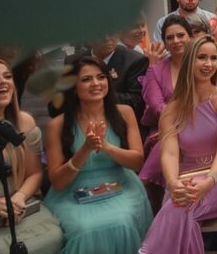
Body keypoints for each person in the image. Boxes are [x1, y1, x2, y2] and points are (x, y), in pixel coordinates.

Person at [138, 36, 217, 254]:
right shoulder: (171, 110)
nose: (208, 64)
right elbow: (169, 154)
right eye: (201, 57)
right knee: (183, 209)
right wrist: (173, 183)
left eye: (213, 58)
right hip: (182, 182)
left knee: (180, 207)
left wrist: (210, 180)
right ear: (189, 61)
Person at [44, 56, 152, 254]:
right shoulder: (57, 125)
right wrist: (84, 149)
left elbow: (137, 162)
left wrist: (107, 147)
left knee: (122, 220)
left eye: (101, 77)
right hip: (71, 191)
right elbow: (58, 182)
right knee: (85, 228)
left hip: (121, 184)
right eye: (86, 79)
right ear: (73, 88)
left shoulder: (125, 112)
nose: (96, 84)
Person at [0, 59, 63, 254]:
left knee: (53, 236)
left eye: (7, 76)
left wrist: (19, 199)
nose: (2, 82)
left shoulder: (25, 122)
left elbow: (34, 173)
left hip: (20, 204)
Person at [138, 16, 194, 194]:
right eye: (170, 37)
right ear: (164, 43)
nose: (176, 41)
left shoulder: (202, 64)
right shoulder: (156, 70)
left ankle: (145, 181)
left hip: (199, 123)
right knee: (166, 141)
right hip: (164, 128)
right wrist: (176, 126)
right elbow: (156, 106)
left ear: (190, 37)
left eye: (180, 35)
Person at [67, 35, 149, 119]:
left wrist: (97, 94)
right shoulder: (72, 62)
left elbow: (138, 102)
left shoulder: (136, 61)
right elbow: (58, 107)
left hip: (121, 121)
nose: (106, 38)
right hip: (81, 119)